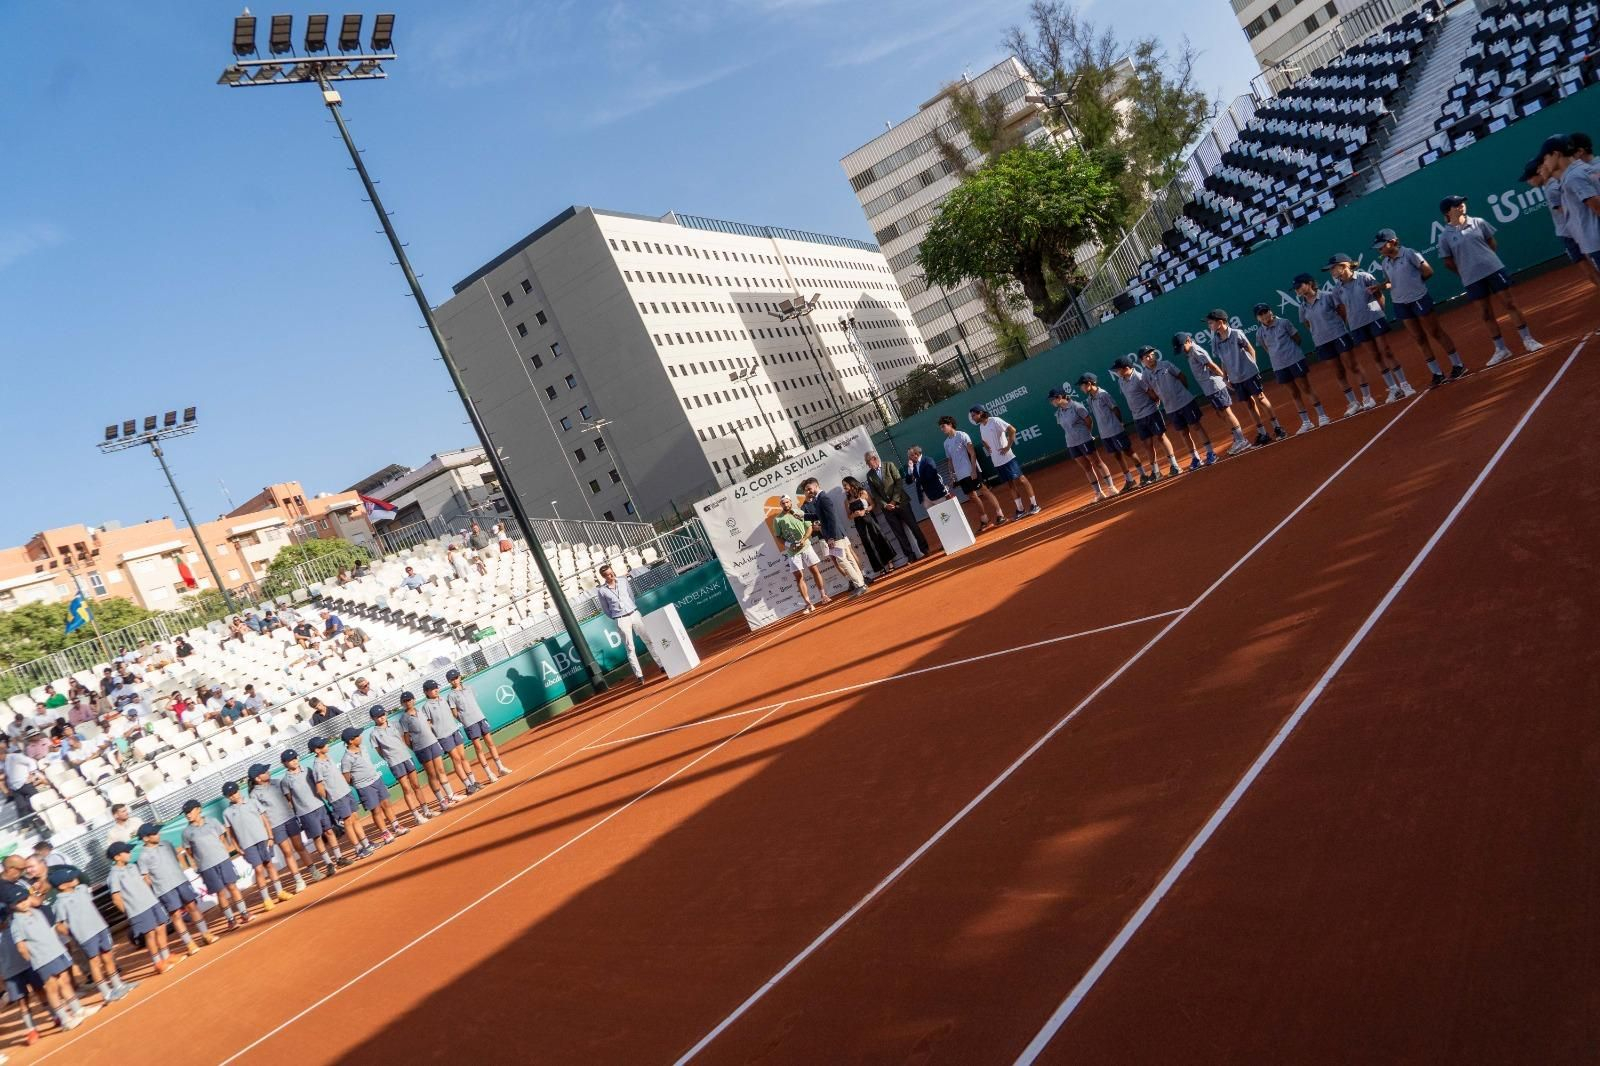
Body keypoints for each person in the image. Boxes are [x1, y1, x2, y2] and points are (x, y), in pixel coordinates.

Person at [1436, 194, 1543, 366]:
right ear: (1448, 212)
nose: (1461, 205)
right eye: (1456, 205)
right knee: (1486, 314)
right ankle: (1501, 349)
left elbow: (1492, 243)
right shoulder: (1444, 237)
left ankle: (1528, 339)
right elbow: (1448, 262)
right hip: (1471, 278)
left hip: (1494, 269)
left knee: (1510, 304)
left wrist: (1486, 260)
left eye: (1462, 203)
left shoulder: (1478, 222)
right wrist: (1465, 271)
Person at [1372, 228, 1467, 387]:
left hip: (1419, 299)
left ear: (1393, 242)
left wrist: (1416, 284)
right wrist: (1380, 287)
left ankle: (1458, 365)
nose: (1379, 249)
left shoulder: (1409, 253)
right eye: (1378, 246)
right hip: (1400, 303)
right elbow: (1390, 282)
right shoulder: (1385, 263)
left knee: (1435, 332)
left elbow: (1428, 271)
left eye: (1382, 245)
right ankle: (1437, 373)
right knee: (1419, 338)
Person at [1324, 253, 1413, 402]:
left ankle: (1405, 385)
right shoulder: (1337, 289)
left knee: (1386, 351)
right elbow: (1342, 309)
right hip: (1357, 325)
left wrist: (1378, 313)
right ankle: (1393, 389)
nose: (1331, 272)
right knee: (1375, 356)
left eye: (1333, 268)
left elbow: (1379, 296)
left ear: (1344, 266)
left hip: (1374, 319)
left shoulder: (1364, 277)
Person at [3, 881, 85, 1032]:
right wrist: (35, 959)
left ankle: (78, 1009)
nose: (23, 903)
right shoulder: (16, 923)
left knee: (65, 980)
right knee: (51, 988)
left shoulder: (37, 912)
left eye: (24, 899)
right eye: (18, 902)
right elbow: (21, 948)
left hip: (56, 952)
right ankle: (65, 1019)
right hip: (42, 959)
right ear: (12, 906)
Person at [50, 864, 135, 1005]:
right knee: (95, 962)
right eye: (70, 878)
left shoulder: (82, 890)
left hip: (100, 928)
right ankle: (106, 993)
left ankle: (118, 985)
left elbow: (85, 887)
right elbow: (59, 925)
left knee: (108, 956)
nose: (75, 878)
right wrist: (74, 933)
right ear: (63, 886)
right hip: (86, 936)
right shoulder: (59, 904)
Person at [1291, 274, 1370, 415]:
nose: (1297, 290)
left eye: (1299, 286)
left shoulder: (1328, 296)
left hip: (1339, 335)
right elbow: (1307, 323)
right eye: (1295, 288)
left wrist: (1337, 328)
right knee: (1338, 372)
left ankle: (1367, 398)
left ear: (1309, 283)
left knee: (1352, 366)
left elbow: (1342, 312)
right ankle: (1353, 403)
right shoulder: (1302, 307)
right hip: (1322, 342)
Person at [1202, 309, 1283, 445]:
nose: (1209, 326)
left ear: (1220, 322)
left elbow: (1250, 349)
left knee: (1261, 399)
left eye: (1210, 323)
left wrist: (1253, 367)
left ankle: (1278, 428)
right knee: (1249, 405)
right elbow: (1223, 360)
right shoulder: (1215, 340)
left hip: (1249, 373)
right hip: (1235, 378)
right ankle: (1262, 434)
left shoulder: (1236, 334)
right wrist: (1225, 378)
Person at [136, 823, 215, 955]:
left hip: (181, 882)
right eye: (154, 833)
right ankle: (189, 943)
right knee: (176, 916)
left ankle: (206, 934)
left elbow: (176, 860)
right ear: (145, 838)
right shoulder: (143, 857)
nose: (158, 834)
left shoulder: (167, 844)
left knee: (193, 907)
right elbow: (146, 878)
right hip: (165, 890)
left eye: (157, 832)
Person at [1252, 304, 1331, 433]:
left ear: (1270, 311)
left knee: (1306, 388)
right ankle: (1306, 422)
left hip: (1295, 360)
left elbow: (1297, 339)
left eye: (1265, 312)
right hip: (1279, 366)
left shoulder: (1284, 323)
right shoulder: (1260, 333)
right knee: (1294, 393)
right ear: (1258, 318)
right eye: (1260, 314)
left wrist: (1291, 353)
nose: (1264, 315)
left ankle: (1322, 416)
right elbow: (1267, 349)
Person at [1137, 345, 1219, 467]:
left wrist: (1181, 393)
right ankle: (1195, 458)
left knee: (1196, 426)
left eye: (1151, 354)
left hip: (1185, 402)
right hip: (1171, 408)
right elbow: (1152, 391)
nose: (1150, 357)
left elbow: (1182, 376)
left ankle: (1211, 452)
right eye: (1146, 356)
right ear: (1141, 361)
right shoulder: (1144, 376)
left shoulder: (1166, 364)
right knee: (1184, 433)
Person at [1175, 331, 1255, 453]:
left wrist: (1225, 378)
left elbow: (1212, 365)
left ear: (1188, 340)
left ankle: (1241, 440)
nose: (1182, 351)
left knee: (1226, 412)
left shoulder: (1196, 351)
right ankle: (1237, 438)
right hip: (1209, 389)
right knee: (1220, 413)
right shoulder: (1190, 353)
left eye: (1182, 347)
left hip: (1215, 386)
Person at [179, 799, 252, 929]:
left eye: (189, 811)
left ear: (198, 810)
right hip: (206, 867)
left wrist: (220, 854)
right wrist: (200, 862)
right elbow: (190, 852)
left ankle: (244, 913)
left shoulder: (213, 822)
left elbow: (221, 838)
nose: (187, 815)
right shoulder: (186, 833)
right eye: (186, 813)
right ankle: (231, 920)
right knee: (220, 893)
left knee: (232, 887)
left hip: (223, 860)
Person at [104, 841, 173, 975]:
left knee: (161, 927)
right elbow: (116, 899)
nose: (130, 853)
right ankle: (158, 963)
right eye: (126, 852)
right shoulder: (113, 876)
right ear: (117, 857)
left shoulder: (132, 867)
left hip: (152, 903)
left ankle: (166, 957)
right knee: (150, 934)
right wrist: (129, 912)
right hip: (138, 910)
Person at [220, 780, 290, 911]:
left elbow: (265, 819)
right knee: (258, 869)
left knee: (269, 864)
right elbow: (231, 833)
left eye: (235, 792)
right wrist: (237, 847)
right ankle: (266, 899)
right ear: (227, 797)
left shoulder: (252, 801)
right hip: (247, 845)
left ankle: (280, 892)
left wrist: (270, 836)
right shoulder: (227, 813)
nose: (234, 796)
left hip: (263, 839)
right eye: (230, 795)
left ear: (238, 790)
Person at [1110, 356, 1181, 483]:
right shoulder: (1121, 381)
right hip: (1137, 417)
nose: (1116, 372)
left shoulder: (1139, 377)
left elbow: (1152, 393)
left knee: (1161, 437)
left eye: (1118, 369)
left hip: (1151, 412)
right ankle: (1156, 471)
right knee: (1147, 444)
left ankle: (1174, 465)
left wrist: (1155, 403)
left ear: (1126, 368)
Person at [278, 750, 346, 878]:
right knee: (317, 837)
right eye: (290, 760)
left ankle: (339, 858)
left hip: (320, 806)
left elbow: (319, 786)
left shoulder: (308, 771)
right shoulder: (285, 781)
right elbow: (289, 800)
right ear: (285, 763)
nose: (294, 761)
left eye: (295, 758)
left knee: (329, 832)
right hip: (305, 813)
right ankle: (328, 863)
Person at [249, 762, 315, 889]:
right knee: (287, 852)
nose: (268, 772)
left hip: (290, 819)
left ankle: (314, 871)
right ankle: (299, 880)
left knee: (299, 846)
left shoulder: (278, 782)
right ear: (257, 778)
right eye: (264, 771)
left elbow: (289, 798)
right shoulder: (254, 795)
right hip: (276, 826)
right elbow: (260, 816)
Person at [800, 477, 869, 599]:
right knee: (848, 559)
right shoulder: (819, 499)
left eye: (809, 489)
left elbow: (832, 518)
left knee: (842, 560)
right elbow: (819, 515)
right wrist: (803, 516)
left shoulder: (823, 498)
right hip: (836, 534)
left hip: (834, 535)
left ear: (816, 486)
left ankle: (859, 585)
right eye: (806, 490)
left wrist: (831, 537)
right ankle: (861, 583)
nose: (808, 491)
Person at [308, 736, 375, 860]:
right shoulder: (317, 766)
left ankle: (366, 843)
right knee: (348, 822)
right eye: (323, 745)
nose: (327, 745)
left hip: (346, 792)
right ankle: (358, 848)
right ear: (317, 750)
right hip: (337, 798)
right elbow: (320, 787)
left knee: (355, 818)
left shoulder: (328, 758)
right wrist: (330, 798)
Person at [970, 406, 1040, 518]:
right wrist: (988, 447)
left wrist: (1007, 447)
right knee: (1010, 484)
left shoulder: (995, 421)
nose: (972, 418)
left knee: (1021, 479)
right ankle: (1020, 510)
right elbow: (984, 440)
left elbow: (1012, 430)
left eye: (974, 415)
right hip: (997, 461)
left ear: (980, 413)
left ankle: (1034, 505)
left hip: (1008, 458)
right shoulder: (981, 427)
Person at [937, 415, 1005, 532]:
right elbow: (950, 459)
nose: (942, 429)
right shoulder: (946, 443)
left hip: (971, 470)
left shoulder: (962, 435)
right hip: (960, 474)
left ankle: (1000, 514)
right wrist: (952, 474)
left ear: (950, 425)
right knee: (972, 496)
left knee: (984, 490)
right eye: (940, 427)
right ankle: (985, 520)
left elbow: (972, 453)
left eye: (943, 426)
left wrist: (973, 470)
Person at [1048, 387, 1117, 500]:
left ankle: (1111, 488)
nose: (1051, 402)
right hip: (1071, 443)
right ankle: (1099, 493)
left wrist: (1086, 434)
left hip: (1084, 439)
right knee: (1086, 467)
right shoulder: (1058, 413)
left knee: (1097, 462)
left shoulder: (1076, 406)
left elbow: (1088, 421)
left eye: (1052, 399)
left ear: (1059, 397)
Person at [369, 706, 435, 824]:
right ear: (373, 718)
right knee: (406, 788)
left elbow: (403, 738)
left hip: (406, 757)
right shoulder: (374, 734)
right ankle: (417, 816)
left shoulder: (395, 724)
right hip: (395, 762)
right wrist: (390, 757)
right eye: (378, 716)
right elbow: (379, 751)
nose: (382, 717)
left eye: (383, 714)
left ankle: (426, 810)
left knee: (416, 785)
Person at [340, 727, 405, 847]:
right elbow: (346, 778)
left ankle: (396, 826)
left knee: (386, 804)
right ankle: (385, 833)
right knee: (376, 810)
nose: (361, 737)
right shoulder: (346, 759)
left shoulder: (363, 748)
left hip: (376, 779)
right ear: (350, 741)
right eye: (357, 736)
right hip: (364, 786)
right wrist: (359, 782)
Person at [1078, 371, 1140, 493]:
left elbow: (1115, 408)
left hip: (1115, 429)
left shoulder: (1103, 394)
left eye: (1082, 385)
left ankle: (1142, 474)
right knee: (1117, 456)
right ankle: (1129, 480)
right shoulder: (1089, 399)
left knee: (1128, 452)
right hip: (1105, 434)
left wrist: (1120, 423)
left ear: (1089, 383)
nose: (1081, 388)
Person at [399, 691, 458, 813]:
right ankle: (442, 801)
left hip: (433, 743)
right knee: (432, 775)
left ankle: (450, 795)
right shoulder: (403, 719)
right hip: (421, 749)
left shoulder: (421, 711)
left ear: (414, 700)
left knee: (441, 770)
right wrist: (416, 747)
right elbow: (406, 738)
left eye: (410, 699)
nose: (408, 702)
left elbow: (428, 725)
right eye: (405, 701)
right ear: (402, 704)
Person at [419, 680, 480, 797]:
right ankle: (468, 785)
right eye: (432, 689)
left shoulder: (443, 700)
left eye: (436, 687)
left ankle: (473, 782)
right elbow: (427, 724)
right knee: (456, 759)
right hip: (443, 736)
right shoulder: (426, 707)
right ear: (426, 692)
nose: (436, 690)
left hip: (454, 731)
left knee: (462, 757)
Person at [864, 452, 927, 564]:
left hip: (901, 503)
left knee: (914, 526)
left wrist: (894, 500)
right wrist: (885, 504)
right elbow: (875, 493)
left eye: (868, 462)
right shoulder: (869, 475)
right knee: (899, 533)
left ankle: (924, 549)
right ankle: (910, 555)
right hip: (888, 509)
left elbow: (898, 482)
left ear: (874, 459)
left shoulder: (889, 465)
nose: (868, 465)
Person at [447, 668, 510, 779]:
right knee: (479, 748)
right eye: (452, 679)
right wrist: (465, 719)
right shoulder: (451, 696)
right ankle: (489, 774)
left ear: (460, 677)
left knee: (490, 743)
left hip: (480, 718)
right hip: (469, 724)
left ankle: (500, 767)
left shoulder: (469, 688)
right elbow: (454, 713)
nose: (455, 680)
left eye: (456, 677)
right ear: (449, 681)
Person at [773, 495, 828, 613]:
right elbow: (778, 536)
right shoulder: (777, 519)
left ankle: (823, 596)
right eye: (783, 503)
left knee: (815, 570)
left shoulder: (800, 513)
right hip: (792, 552)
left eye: (787, 502)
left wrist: (803, 540)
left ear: (790, 502)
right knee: (799, 577)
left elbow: (809, 528)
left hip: (806, 546)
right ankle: (808, 604)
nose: (786, 505)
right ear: (780, 505)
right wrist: (789, 545)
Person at [596, 564, 647, 684]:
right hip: (621, 619)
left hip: (634, 613)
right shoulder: (602, 591)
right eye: (608, 574)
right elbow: (606, 610)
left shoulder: (623, 581)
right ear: (604, 577)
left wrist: (631, 608)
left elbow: (631, 596)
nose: (611, 575)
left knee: (648, 639)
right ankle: (640, 676)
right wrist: (618, 616)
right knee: (630, 648)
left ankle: (661, 665)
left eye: (611, 572)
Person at [841, 476, 895, 577]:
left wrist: (864, 511)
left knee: (880, 539)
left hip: (870, 520)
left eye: (845, 485)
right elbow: (849, 516)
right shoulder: (847, 501)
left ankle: (889, 563)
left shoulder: (863, 493)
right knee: (869, 545)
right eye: (843, 486)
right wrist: (855, 515)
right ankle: (880, 568)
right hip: (859, 524)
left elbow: (873, 504)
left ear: (851, 484)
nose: (844, 487)